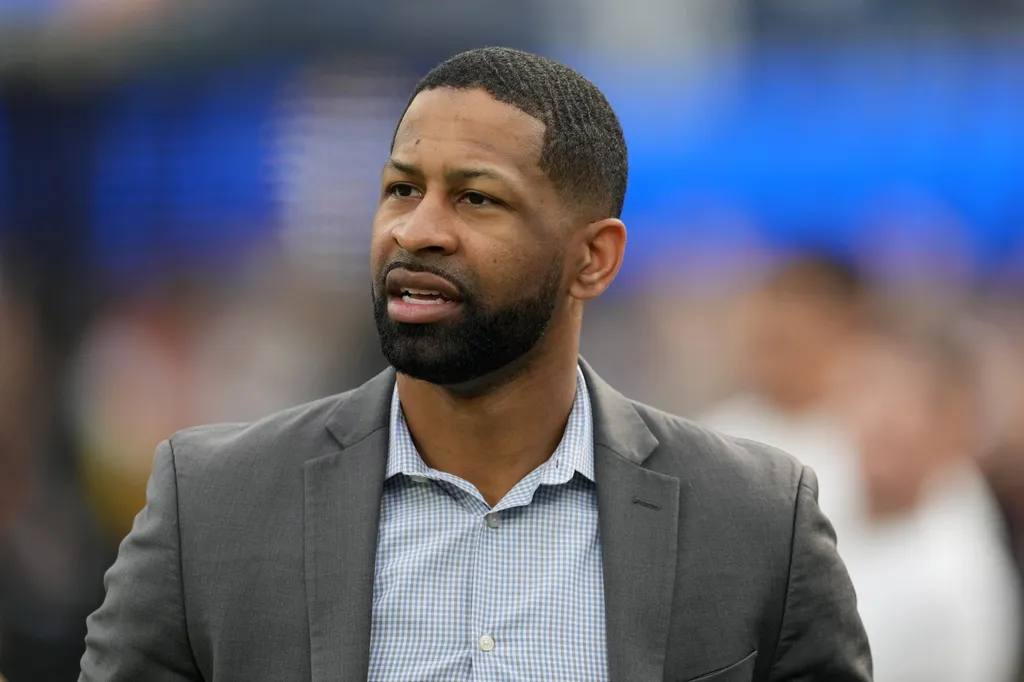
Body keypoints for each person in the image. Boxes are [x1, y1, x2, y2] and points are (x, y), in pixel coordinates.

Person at [79, 47, 870, 682]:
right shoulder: (212, 507)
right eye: (400, 189)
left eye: (475, 198)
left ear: (593, 259)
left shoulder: (758, 523)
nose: (417, 230)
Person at [835, 316, 1021, 682]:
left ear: (955, 424)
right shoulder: (824, 493)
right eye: (869, 389)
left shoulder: (957, 579)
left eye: (906, 402)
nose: (879, 417)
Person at [700, 254, 869, 542]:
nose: (777, 324)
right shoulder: (713, 436)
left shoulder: (875, 445)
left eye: (800, 315)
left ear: (844, 327)